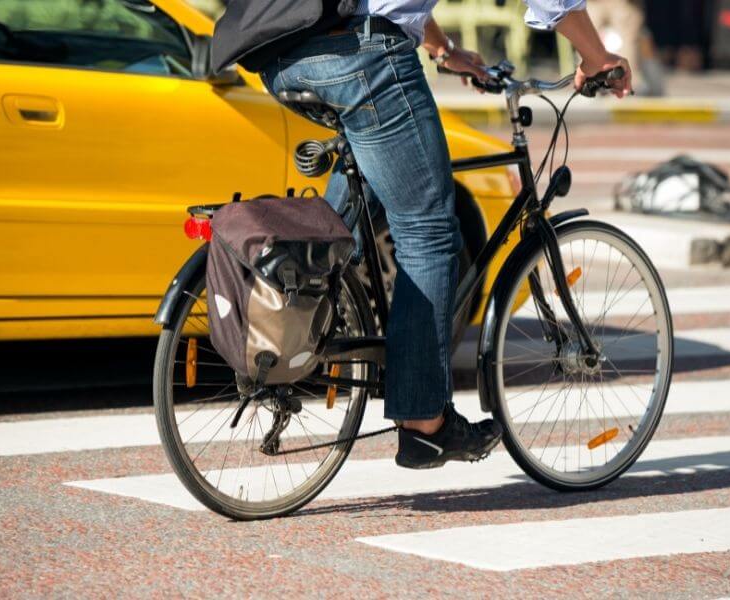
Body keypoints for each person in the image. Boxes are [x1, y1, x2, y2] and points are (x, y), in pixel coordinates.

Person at [248, 1, 632, 469]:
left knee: (357, 202)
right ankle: (425, 424)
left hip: (287, 56)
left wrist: (443, 49)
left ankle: (279, 323)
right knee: (428, 231)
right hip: (362, 56)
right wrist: (597, 56)